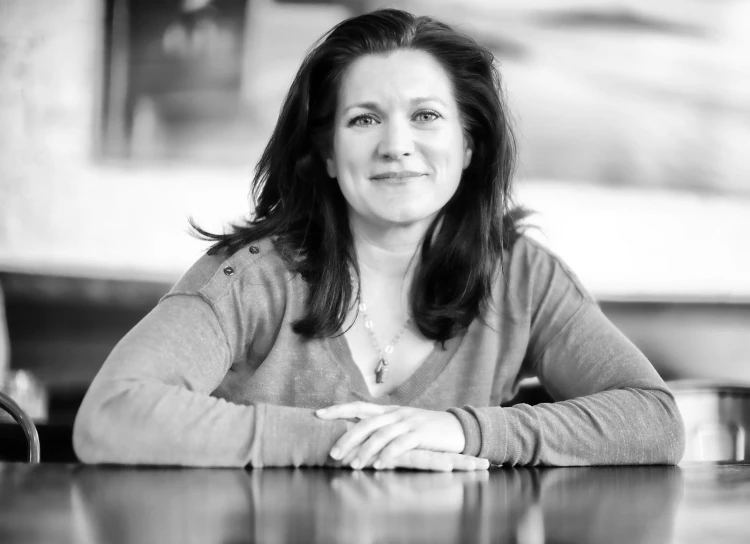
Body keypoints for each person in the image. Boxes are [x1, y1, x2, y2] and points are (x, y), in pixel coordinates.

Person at [73, 9, 685, 470]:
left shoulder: (521, 276)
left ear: (469, 146)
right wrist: (359, 441)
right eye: (364, 119)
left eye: (426, 116)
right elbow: (111, 415)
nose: (396, 144)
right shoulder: (250, 277)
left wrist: (461, 430)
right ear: (330, 156)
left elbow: (654, 420)